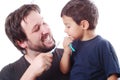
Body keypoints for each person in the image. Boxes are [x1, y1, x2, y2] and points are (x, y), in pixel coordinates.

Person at [0, 4, 69, 80]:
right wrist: (31, 74)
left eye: (43, 23)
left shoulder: (69, 55)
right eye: (36, 29)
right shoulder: (8, 74)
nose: (46, 30)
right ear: (21, 43)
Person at [60, 0, 120, 80]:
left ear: (84, 25)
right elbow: (64, 71)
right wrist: (66, 52)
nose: (65, 30)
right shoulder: (73, 44)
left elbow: (113, 75)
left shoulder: (102, 45)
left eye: (68, 26)